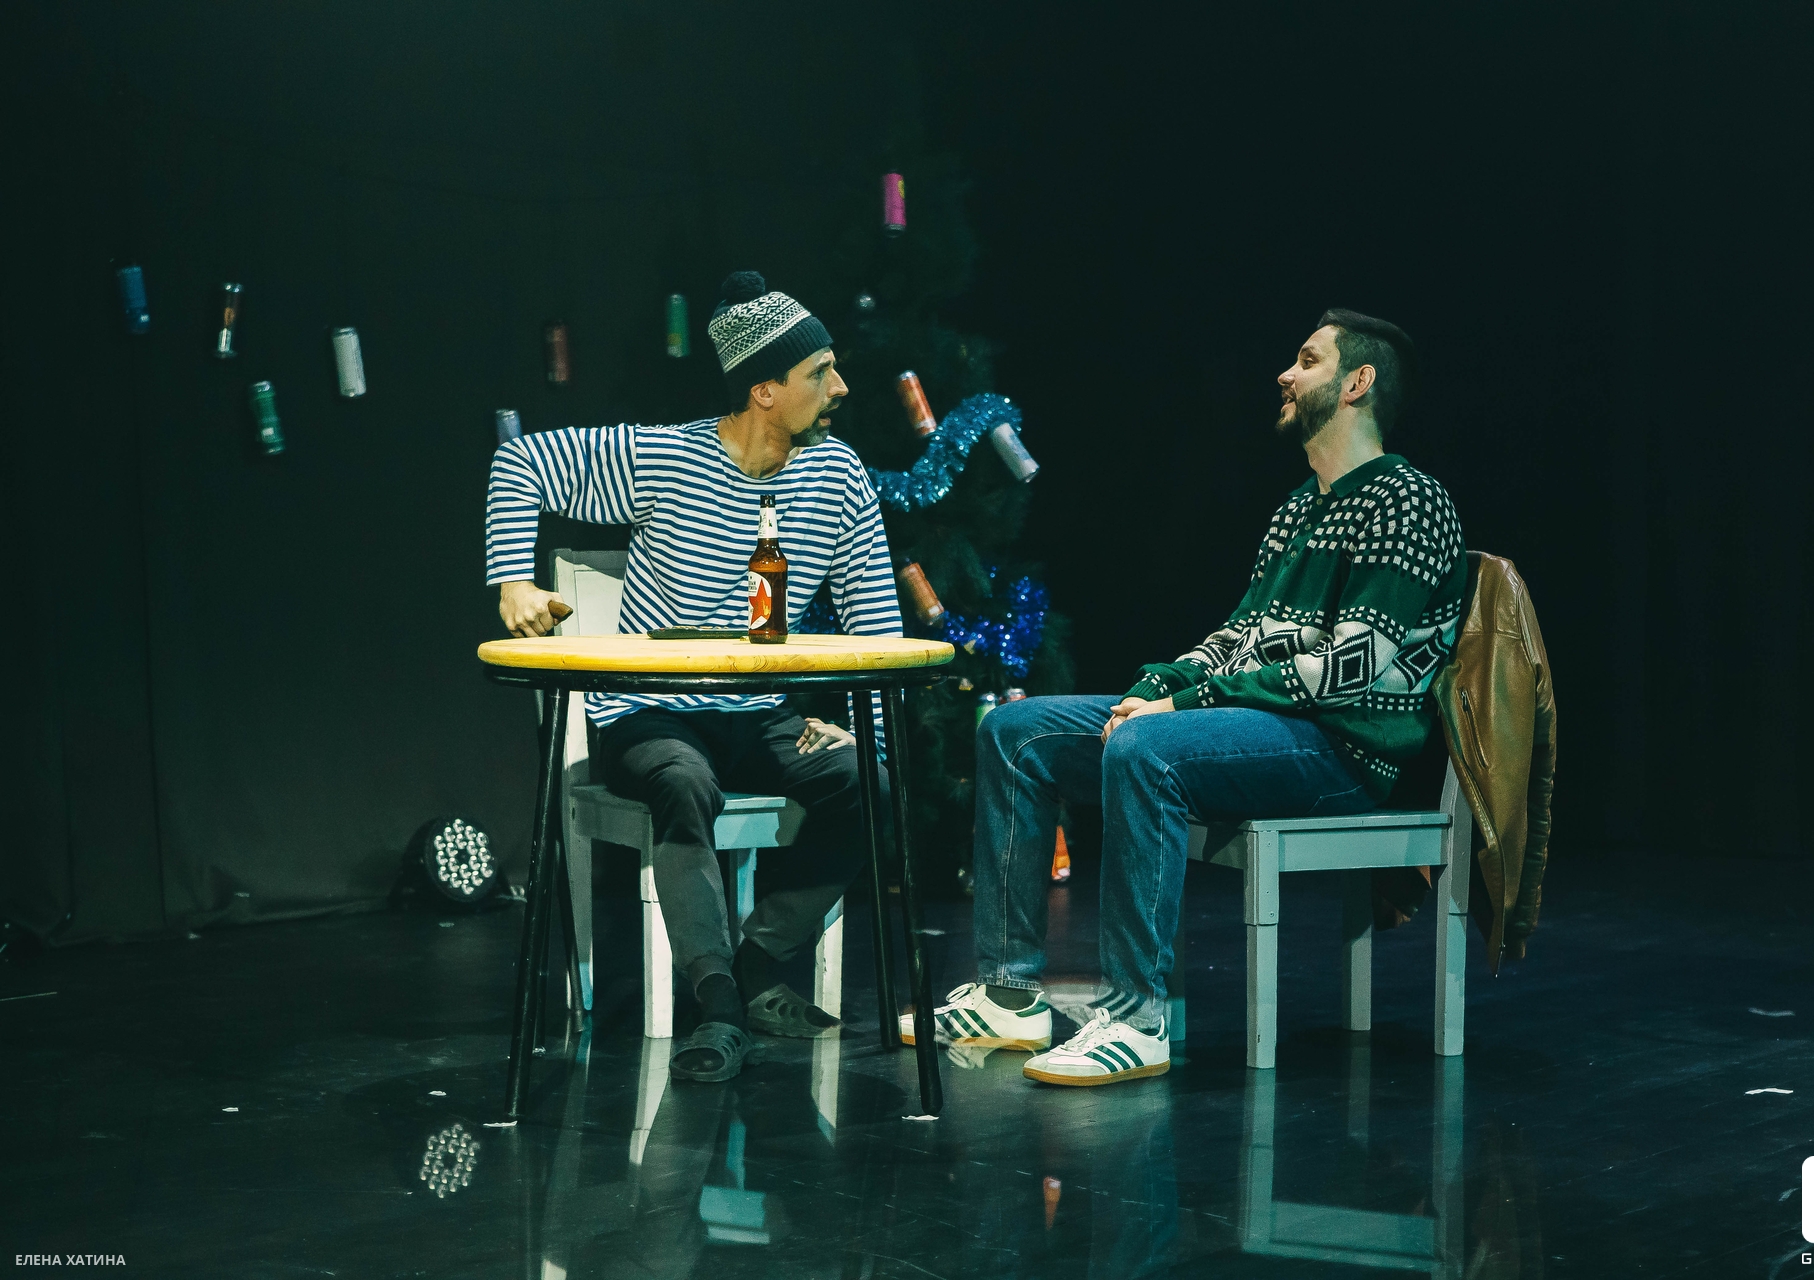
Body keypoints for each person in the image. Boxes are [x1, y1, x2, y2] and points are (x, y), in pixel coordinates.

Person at [906, 309, 1468, 1086]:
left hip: (1347, 751)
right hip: (1270, 730)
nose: (1286, 374)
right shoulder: (1299, 508)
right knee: (1014, 731)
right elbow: (1237, 638)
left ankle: (1137, 1018)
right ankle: (1009, 993)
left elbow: (1352, 670)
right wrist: (1153, 688)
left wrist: (1181, 709)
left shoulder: (1407, 500)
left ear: (1357, 383)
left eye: (1308, 360)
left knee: (1149, 749)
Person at [486, 271, 903, 1083]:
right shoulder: (666, 457)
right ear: (765, 390)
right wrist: (513, 581)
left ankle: (752, 967)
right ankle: (718, 1005)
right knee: (683, 782)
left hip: (761, 714)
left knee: (870, 780)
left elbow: (876, 623)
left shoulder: (838, 476)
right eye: (820, 372)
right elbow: (521, 461)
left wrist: (864, 735)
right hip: (653, 714)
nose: (841, 388)